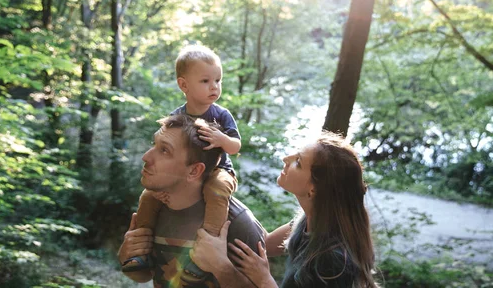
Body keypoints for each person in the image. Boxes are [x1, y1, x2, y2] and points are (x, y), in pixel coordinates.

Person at [191, 132, 379, 288]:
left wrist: (261, 279)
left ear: (314, 189)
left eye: (298, 161)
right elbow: (262, 244)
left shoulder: (333, 262)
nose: (285, 159)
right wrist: (217, 190)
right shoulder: (308, 221)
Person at [122, 44, 242, 284]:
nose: (214, 87)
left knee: (216, 191)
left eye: (218, 80)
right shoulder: (178, 116)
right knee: (148, 195)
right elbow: (167, 150)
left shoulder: (221, 115)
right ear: (184, 85)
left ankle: (205, 252)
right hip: (185, 176)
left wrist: (223, 139)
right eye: (206, 81)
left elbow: (236, 147)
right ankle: (140, 250)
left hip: (219, 171)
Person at [118, 114, 264, 288]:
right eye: (154, 144)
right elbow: (144, 276)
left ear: (194, 171)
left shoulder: (238, 223)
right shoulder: (154, 207)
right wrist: (126, 255)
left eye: (164, 150)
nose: (146, 157)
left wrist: (222, 268)